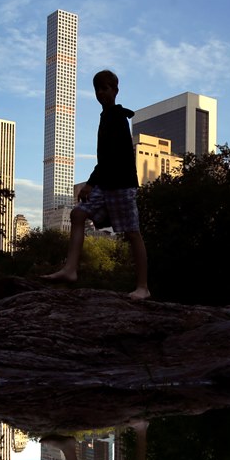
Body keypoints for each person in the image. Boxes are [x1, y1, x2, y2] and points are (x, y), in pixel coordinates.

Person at [42, 70, 150, 301]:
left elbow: (114, 155)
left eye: (105, 88)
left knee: (132, 234)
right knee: (78, 214)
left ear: (115, 90)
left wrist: (91, 183)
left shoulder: (117, 117)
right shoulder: (106, 116)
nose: (101, 92)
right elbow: (105, 159)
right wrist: (94, 182)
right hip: (107, 184)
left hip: (121, 185)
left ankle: (143, 286)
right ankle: (70, 269)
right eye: (97, 89)